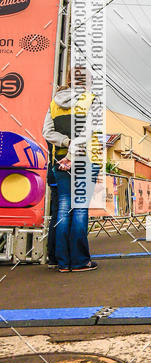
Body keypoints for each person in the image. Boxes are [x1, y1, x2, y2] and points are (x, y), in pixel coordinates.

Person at [42, 68, 102, 272]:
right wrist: (74, 151)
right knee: (80, 208)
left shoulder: (54, 102)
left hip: (60, 160)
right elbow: (88, 131)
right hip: (85, 158)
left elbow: (47, 132)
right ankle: (79, 261)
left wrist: (66, 146)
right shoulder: (90, 100)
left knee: (63, 208)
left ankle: (62, 261)